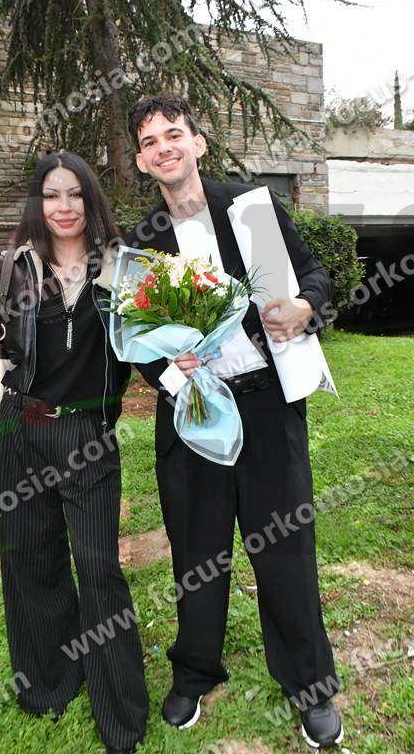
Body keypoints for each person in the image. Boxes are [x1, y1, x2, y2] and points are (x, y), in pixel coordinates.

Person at [124, 94, 344, 750]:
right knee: (197, 551)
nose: (164, 147)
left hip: (269, 406)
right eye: (150, 142)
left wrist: (305, 305)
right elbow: (133, 339)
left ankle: (309, 686)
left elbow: (314, 274)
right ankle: (194, 671)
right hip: (193, 411)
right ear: (141, 161)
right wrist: (170, 371)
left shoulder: (251, 208)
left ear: (198, 143)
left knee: (285, 549)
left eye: (174, 134)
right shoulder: (139, 242)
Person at [0, 151, 148, 754]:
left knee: (98, 567)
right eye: (52, 195)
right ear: (38, 203)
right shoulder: (12, 269)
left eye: (75, 194)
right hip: (20, 427)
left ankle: (120, 711)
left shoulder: (121, 267)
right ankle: (50, 683)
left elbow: (150, 342)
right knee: (31, 559)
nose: (64, 207)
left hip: (86, 433)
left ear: (91, 199)